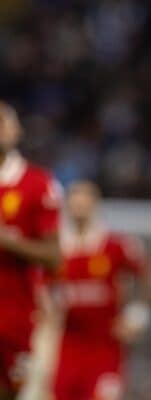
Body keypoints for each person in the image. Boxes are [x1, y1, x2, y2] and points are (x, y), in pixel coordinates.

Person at [52, 180, 151, 400]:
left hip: (105, 348)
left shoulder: (115, 246)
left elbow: (146, 278)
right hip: (66, 349)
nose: (79, 209)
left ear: (95, 205)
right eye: (75, 204)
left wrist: (137, 316)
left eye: (84, 203)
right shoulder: (56, 249)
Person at [0, 101, 62, 400]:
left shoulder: (37, 184)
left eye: (3, 121)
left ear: (16, 131)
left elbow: (54, 256)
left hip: (14, 318)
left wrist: (9, 242)